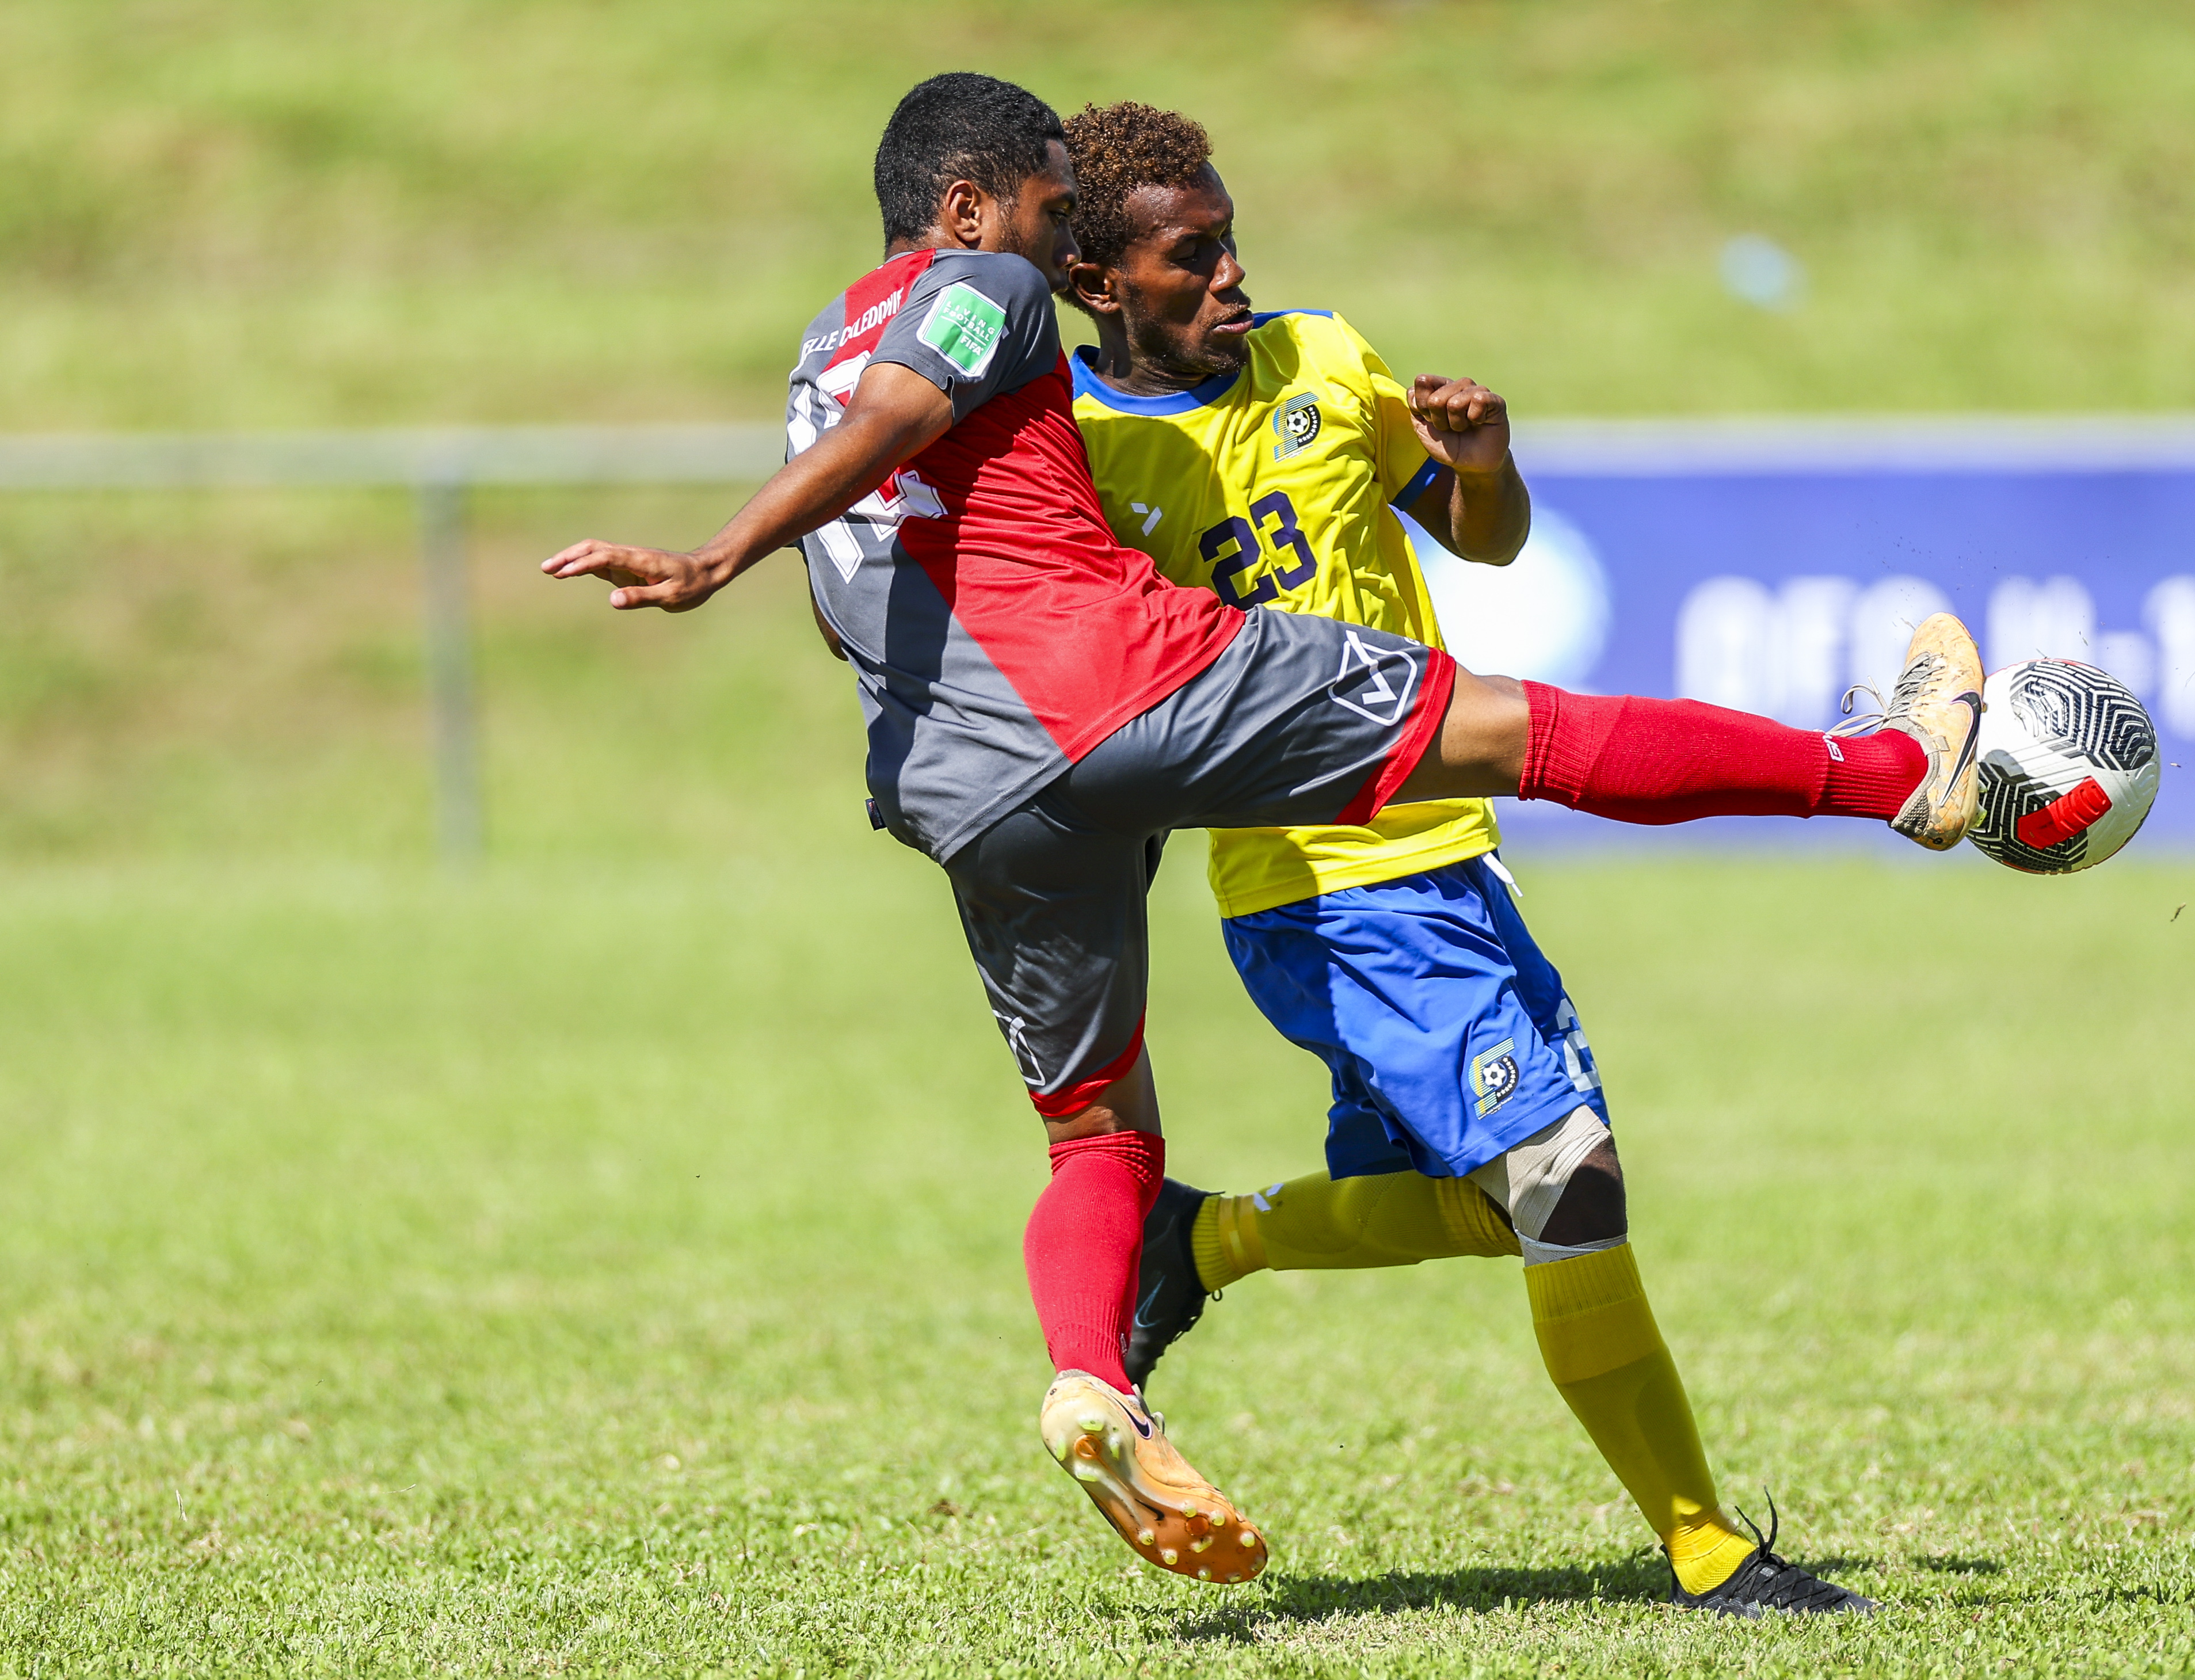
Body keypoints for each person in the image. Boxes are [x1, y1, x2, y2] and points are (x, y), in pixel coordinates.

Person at [543, 71, 1983, 1598]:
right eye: (1063, 216)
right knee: (1550, 1003)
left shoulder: (874, 352)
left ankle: (1124, 1338)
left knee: (1150, 1144)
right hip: (1220, 775)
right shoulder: (991, 305)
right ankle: (1896, 776)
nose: (1228, 273)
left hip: (977, 777)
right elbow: (924, 411)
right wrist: (716, 555)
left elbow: (894, 553)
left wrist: (1477, 466)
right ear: (1000, 224)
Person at [1057, 99, 1876, 1616]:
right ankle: (1706, 1551)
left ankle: (1209, 1239)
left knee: (1489, 1204)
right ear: (1102, 278)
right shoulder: (1084, 455)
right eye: (1193, 253)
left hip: (1446, 849)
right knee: (1567, 1178)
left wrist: (1481, 465)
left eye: (1233, 235)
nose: (1233, 270)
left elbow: (1477, 539)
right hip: (1315, 883)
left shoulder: (1320, 356)